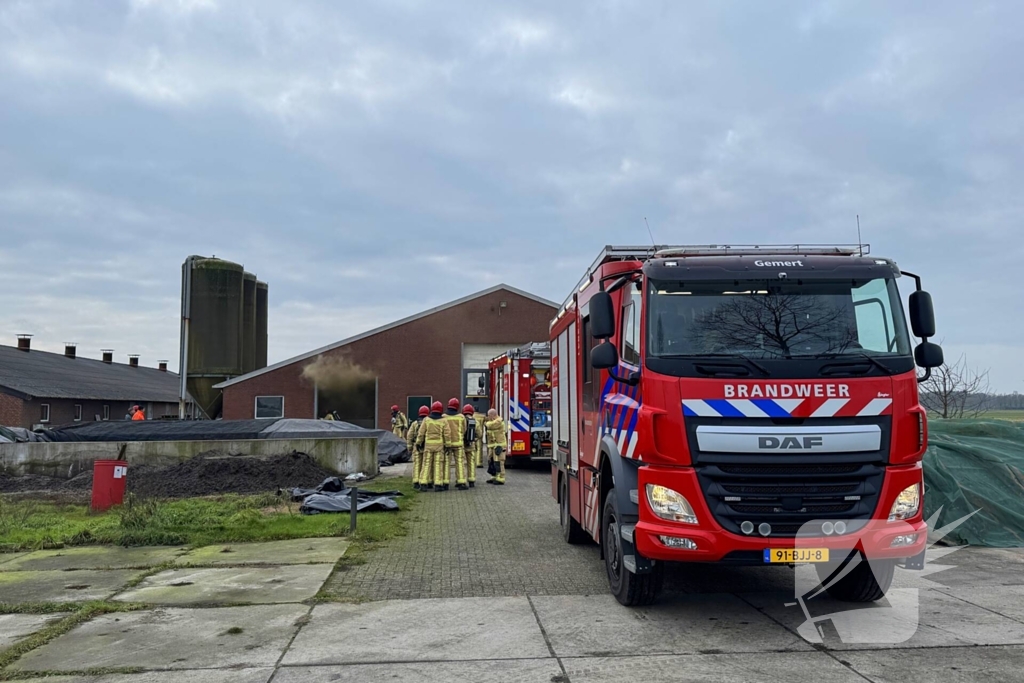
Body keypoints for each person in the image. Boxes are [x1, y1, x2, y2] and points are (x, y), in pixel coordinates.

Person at [417, 401, 450, 492]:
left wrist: (418, 443)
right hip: (439, 446)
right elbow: (447, 434)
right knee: (438, 465)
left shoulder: (426, 420)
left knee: (426, 464)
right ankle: (438, 485)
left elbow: (421, 433)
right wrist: (448, 445)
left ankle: (423, 484)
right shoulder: (444, 421)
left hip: (428, 446)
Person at [442, 398, 467, 490]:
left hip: (446, 444)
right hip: (459, 443)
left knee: (446, 463)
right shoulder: (461, 417)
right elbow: (464, 429)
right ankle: (461, 482)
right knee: (459, 463)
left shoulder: (443, 416)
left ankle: (445, 483)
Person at [407, 405, 429, 491]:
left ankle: (416, 482)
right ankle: (426, 481)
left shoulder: (414, 423)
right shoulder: (428, 422)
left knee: (417, 464)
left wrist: (410, 447)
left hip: (416, 446)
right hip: (426, 446)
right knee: (426, 464)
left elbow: (409, 436)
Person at [484, 409, 506, 485]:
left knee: (499, 462)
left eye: (489, 415)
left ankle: (501, 478)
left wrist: (486, 423)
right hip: (492, 445)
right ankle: (494, 476)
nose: (488, 417)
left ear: (493, 415)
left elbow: (490, 425)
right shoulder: (493, 421)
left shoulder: (499, 421)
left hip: (499, 445)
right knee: (492, 461)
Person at [461, 404, 478, 488]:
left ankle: (461, 480)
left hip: (462, 445)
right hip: (471, 445)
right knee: (471, 462)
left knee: (462, 463)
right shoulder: (475, 421)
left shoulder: (461, 420)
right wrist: (474, 439)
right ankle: (471, 480)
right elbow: (480, 434)